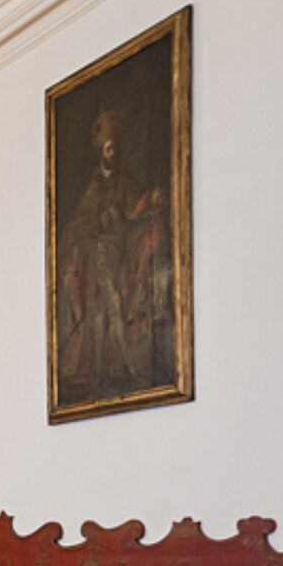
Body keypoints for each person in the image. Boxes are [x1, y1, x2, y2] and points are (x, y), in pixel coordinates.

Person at [59, 106, 170, 402]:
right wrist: (98, 223)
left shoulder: (122, 182)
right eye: (108, 148)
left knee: (117, 306)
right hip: (98, 259)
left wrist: (150, 203)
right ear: (101, 151)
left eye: (114, 148)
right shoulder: (94, 187)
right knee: (104, 310)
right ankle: (108, 369)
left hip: (118, 254)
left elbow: (134, 211)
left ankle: (122, 366)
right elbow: (78, 223)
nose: (112, 153)